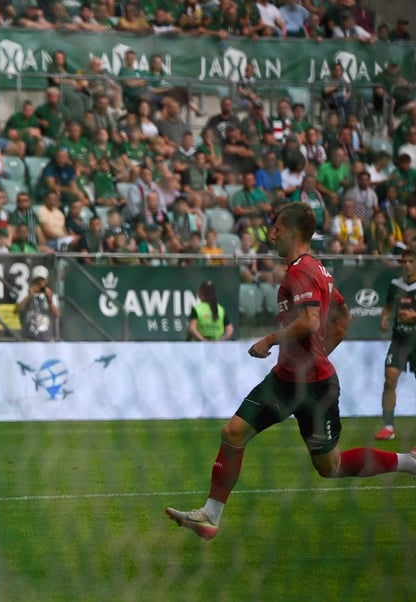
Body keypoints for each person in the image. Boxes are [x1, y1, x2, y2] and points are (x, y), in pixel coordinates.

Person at [166, 202, 416, 541]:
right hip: (285, 380)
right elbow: (342, 319)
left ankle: (408, 462)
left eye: (276, 228)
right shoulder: (318, 270)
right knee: (233, 433)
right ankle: (210, 516)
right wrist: (315, 354)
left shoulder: (301, 271)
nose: (271, 234)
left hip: (316, 388)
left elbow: (312, 321)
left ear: (293, 232)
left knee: (331, 467)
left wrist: (270, 339)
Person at [375, 249, 416, 441]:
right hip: (399, 340)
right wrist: (384, 318)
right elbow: (388, 306)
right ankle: (388, 427)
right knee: (389, 380)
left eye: (411, 261)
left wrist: (413, 316)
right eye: (404, 261)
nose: (407, 264)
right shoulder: (395, 285)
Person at [15, 264, 59, 341]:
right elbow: (16, 310)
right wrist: (28, 296)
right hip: (29, 337)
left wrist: (49, 300)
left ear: (46, 280)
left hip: (46, 337)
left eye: (42, 280)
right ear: (33, 280)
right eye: (37, 280)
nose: (40, 283)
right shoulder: (25, 293)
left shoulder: (51, 295)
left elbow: (57, 314)